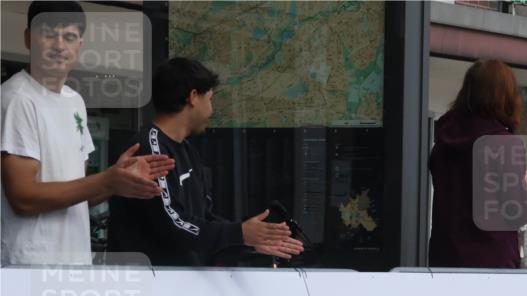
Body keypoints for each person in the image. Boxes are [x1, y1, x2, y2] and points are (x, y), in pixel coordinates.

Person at [1, 1, 175, 266]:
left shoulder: (75, 101)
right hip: (28, 267)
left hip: (76, 264)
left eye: (69, 37)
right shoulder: (17, 99)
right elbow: (23, 198)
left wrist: (120, 179)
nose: (59, 46)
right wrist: (106, 180)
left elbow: (78, 192)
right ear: (28, 39)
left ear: (79, 46)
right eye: (48, 34)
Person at [108, 58, 303, 266]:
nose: (212, 110)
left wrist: (248, 241)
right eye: (210, 99)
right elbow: (174, 223)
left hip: (183, 286)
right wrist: (239, 233)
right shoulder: (150, 149)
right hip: (151, 286)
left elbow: (203, 219)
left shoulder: (187, 150)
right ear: (193, 97)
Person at [428, 59, 527, 269]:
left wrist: (513, 184)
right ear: (505, 97)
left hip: (444, 261)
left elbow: (465, 192)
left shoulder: (444, 140)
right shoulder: (503, 144)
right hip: (490, 265)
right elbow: (517, 212)